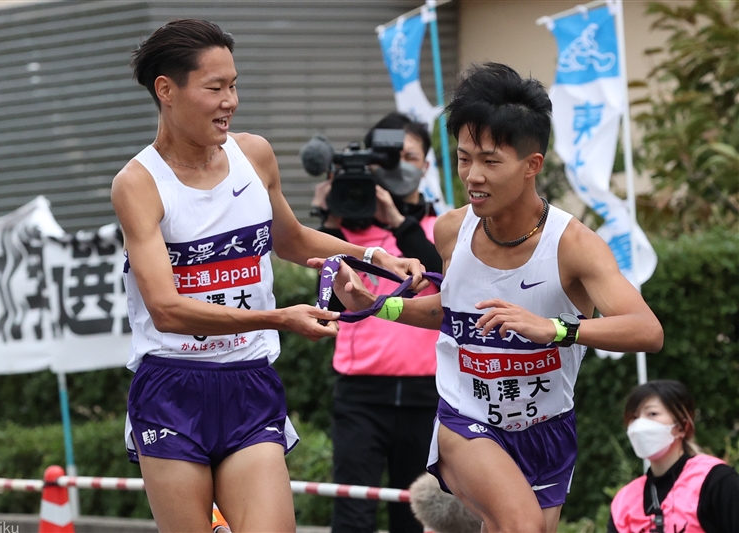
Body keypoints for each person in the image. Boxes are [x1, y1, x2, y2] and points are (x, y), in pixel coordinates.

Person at [321, 62, 665, 533]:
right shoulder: (450, 229)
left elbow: (647, 330)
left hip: (548, 425)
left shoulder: (573, 245)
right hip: (467, 418)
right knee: (520, 526)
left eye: (489, 161)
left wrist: (556, 329)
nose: (473, 176)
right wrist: (380, 305)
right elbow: (449, 312)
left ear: (532, 166)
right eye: (464, 158)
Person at [110, 19, 425, 533]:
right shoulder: (138, 184)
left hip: (249, 379)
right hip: (172, 387)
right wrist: (280, 318)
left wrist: (372, 256)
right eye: (215, 88)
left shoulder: (253, 154)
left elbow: (293, 241)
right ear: (166, 90)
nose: (230, 100)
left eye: (234, 85)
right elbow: (165, 310)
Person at [311, 113, 442, 533]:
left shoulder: (443, 227)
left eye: (410, 156)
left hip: (428, 394)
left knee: (417, 512)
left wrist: (398, 223)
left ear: (426, 164)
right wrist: (329, 222)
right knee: (353, 510)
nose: (400, 165)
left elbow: (442, 275)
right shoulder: (349, 238)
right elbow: (329, 301)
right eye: (390, 158)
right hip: (361, 395)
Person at [608, 380, 739, 533]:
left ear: (682, 427)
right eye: (635, 417)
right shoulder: (624, 501)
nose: (639, 425)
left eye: (652, 414)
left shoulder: (715, 480)